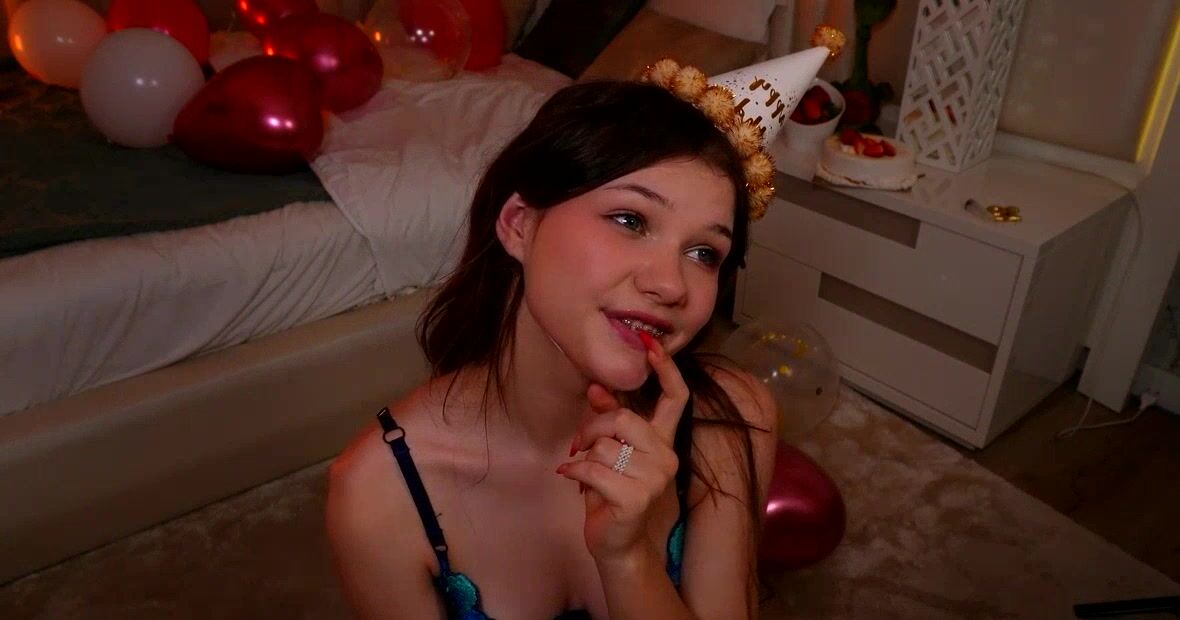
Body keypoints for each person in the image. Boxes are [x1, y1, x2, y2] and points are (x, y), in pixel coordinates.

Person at [324, 55, 810, 618]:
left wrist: (628, 558)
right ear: (519, 225)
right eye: (630, 220)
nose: (671, 285)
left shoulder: (730, 417)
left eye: (704, 253)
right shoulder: (378, 490)